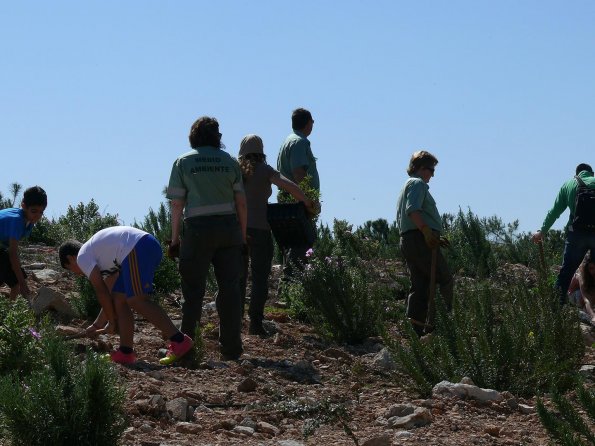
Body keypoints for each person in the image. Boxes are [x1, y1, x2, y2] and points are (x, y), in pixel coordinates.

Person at [166, 116, 245, 360]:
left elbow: (177, 204)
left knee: (193, 292)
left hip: (197, 231)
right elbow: (241, 202)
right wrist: (242, 236)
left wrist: (175, 239)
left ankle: (187, 349)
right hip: (228, 230)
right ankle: (231, 349)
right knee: (230, 290)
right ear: (217, 137)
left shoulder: (183, 162)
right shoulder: (230, 162)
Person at [59, 226, 193, 365]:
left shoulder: (82, 256)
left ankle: (179, 340)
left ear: (71, 258)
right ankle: (125, 352)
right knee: (119, 299)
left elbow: (101, 291)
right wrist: (98, 324)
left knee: (136, 300)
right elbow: (109, 294)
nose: (76, 273)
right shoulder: (101, 255)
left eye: (70, 269)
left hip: (137, 247)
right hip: (140, 247)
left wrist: (112, 322)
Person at [238, 134, 314, 336]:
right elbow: (288, 185)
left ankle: (233, 322)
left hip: (237, 231)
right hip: (261, 230)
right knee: (260, 279)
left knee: (237, 277)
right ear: (261, 151)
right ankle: (255, 323)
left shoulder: (235, 171)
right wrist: (307, 202)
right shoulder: (265, 170)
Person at [396, 151, 453, 337]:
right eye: (431, 169)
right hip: (419, 239)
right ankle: (446, 324)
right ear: (421, 168)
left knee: (420, 284)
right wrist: (427, 232)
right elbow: (412, 210)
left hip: (410, 239)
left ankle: (414, 328)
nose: (432, 174)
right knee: (443, 277)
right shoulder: (417, 183)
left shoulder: (408, 185)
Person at [532, 163, 595, 304]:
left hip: (576, 235)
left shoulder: (569, 184)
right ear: (592, 173)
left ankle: (555, 311)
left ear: (576, 174)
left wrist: (542, 232)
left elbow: (554, 212)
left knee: (566, 273)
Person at [276, 108, 319, 283]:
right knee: (301, 242)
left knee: (293, 242)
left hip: (289, 199)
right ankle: (292, 286)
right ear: (308, 122)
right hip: (297, 200)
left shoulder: (289, 140)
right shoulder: (300, 142)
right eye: (312, 121)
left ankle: (289, 286)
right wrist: (308, 200)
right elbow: (299, 172)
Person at [0, 186, 47, 299]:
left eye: (41, 212)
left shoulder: (29, 221)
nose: (38, 215)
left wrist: (20, 281)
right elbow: (12, 253)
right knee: (18, 282)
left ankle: (7, 315)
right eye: (34, 211)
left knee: (15, 284)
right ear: (23, 206)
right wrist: (22, 282)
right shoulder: (17, 221)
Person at [568, 251, 595, 324]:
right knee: (591, 293)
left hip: (586, 293)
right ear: (587, 268)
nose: (594, 271)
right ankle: (584, 312)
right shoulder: (581, 275)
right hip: (574, 295)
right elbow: (586, 299)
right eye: (591, 268)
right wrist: (593, 316)